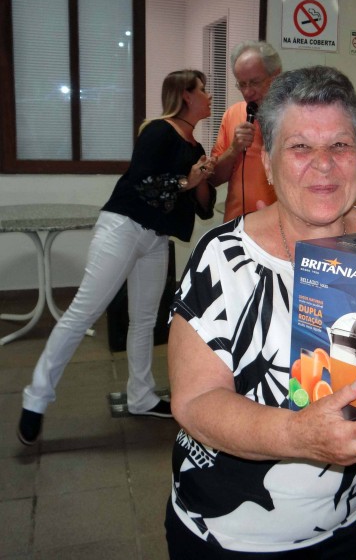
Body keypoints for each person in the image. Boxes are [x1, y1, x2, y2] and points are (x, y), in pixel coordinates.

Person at [165, 65, 356, 558]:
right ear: (269, 162)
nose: (324, 165)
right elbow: (195, 402)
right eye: (301, 147)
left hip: (344, 524)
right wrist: (299, 436)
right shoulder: (223, 258)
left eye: (340, 145)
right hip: (229, 534)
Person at [17, 69, 217, 446]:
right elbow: (142, 181)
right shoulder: (157, 131)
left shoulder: (195, 148)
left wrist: (202, 177)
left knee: (144, 320)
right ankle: (35, 399)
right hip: (123, 228)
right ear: (186, 95)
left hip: (155, 238)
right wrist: (185, 181)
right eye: (203, 90)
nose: (209, 96)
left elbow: (203, 207)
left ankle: (141, 397)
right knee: (83, 312)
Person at [210, 40, 282, 221]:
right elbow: (213, 179)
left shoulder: (296, 116)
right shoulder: (232, 114)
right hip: (236, 224)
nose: (248, 92)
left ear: (276, 76)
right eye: (242, 84)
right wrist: (233, 150)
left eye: (255, 82)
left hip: (280, 226)